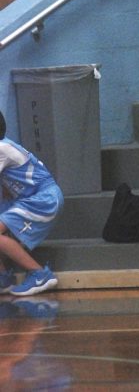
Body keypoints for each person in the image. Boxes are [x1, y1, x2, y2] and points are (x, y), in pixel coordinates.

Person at [0, 110, 63, 297]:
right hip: (32, 199)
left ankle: (39, 274)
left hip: (43, 199)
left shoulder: (2, 148)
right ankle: (3, 278)